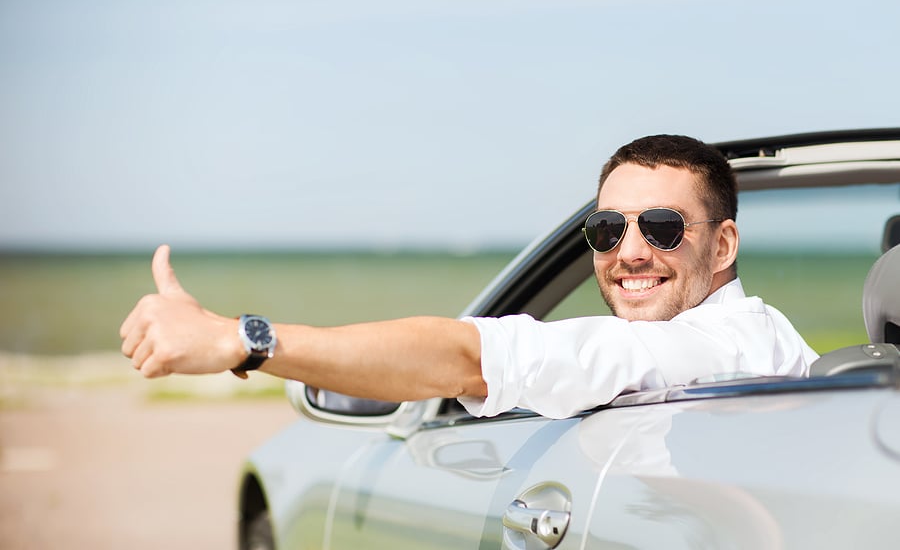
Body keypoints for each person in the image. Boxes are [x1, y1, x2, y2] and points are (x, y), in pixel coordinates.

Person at [120, 134, 819, 419]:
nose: (629, 251)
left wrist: (241, 338)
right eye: (608, 229)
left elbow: (466, 359)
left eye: (662, 227)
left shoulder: (714, 350)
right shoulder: (770, 340)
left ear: (723, 243)